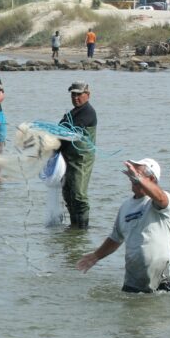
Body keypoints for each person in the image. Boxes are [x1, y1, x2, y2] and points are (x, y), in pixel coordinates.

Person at [76, 158, 170, 293]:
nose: (133, 176)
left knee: (163, 310)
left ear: (152, 179)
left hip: (163, 272)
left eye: (138, 173)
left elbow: (160, 198)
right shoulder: (126, 206)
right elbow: (115, 238)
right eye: (132, 173)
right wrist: (96, 256)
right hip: (135, 276)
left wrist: (139, 179)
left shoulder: (162, 199)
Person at [60, 80, 97, 228]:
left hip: (81, 159)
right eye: (73, 94)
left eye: (79, 94)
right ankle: (73, 228)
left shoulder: (88, 112)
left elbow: (72, 132)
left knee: (79, 195)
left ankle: (82, 230)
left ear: (87, 95)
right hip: (67, 159)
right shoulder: (71, 113)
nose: (75, 97)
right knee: (68, 194)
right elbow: (60, 131)